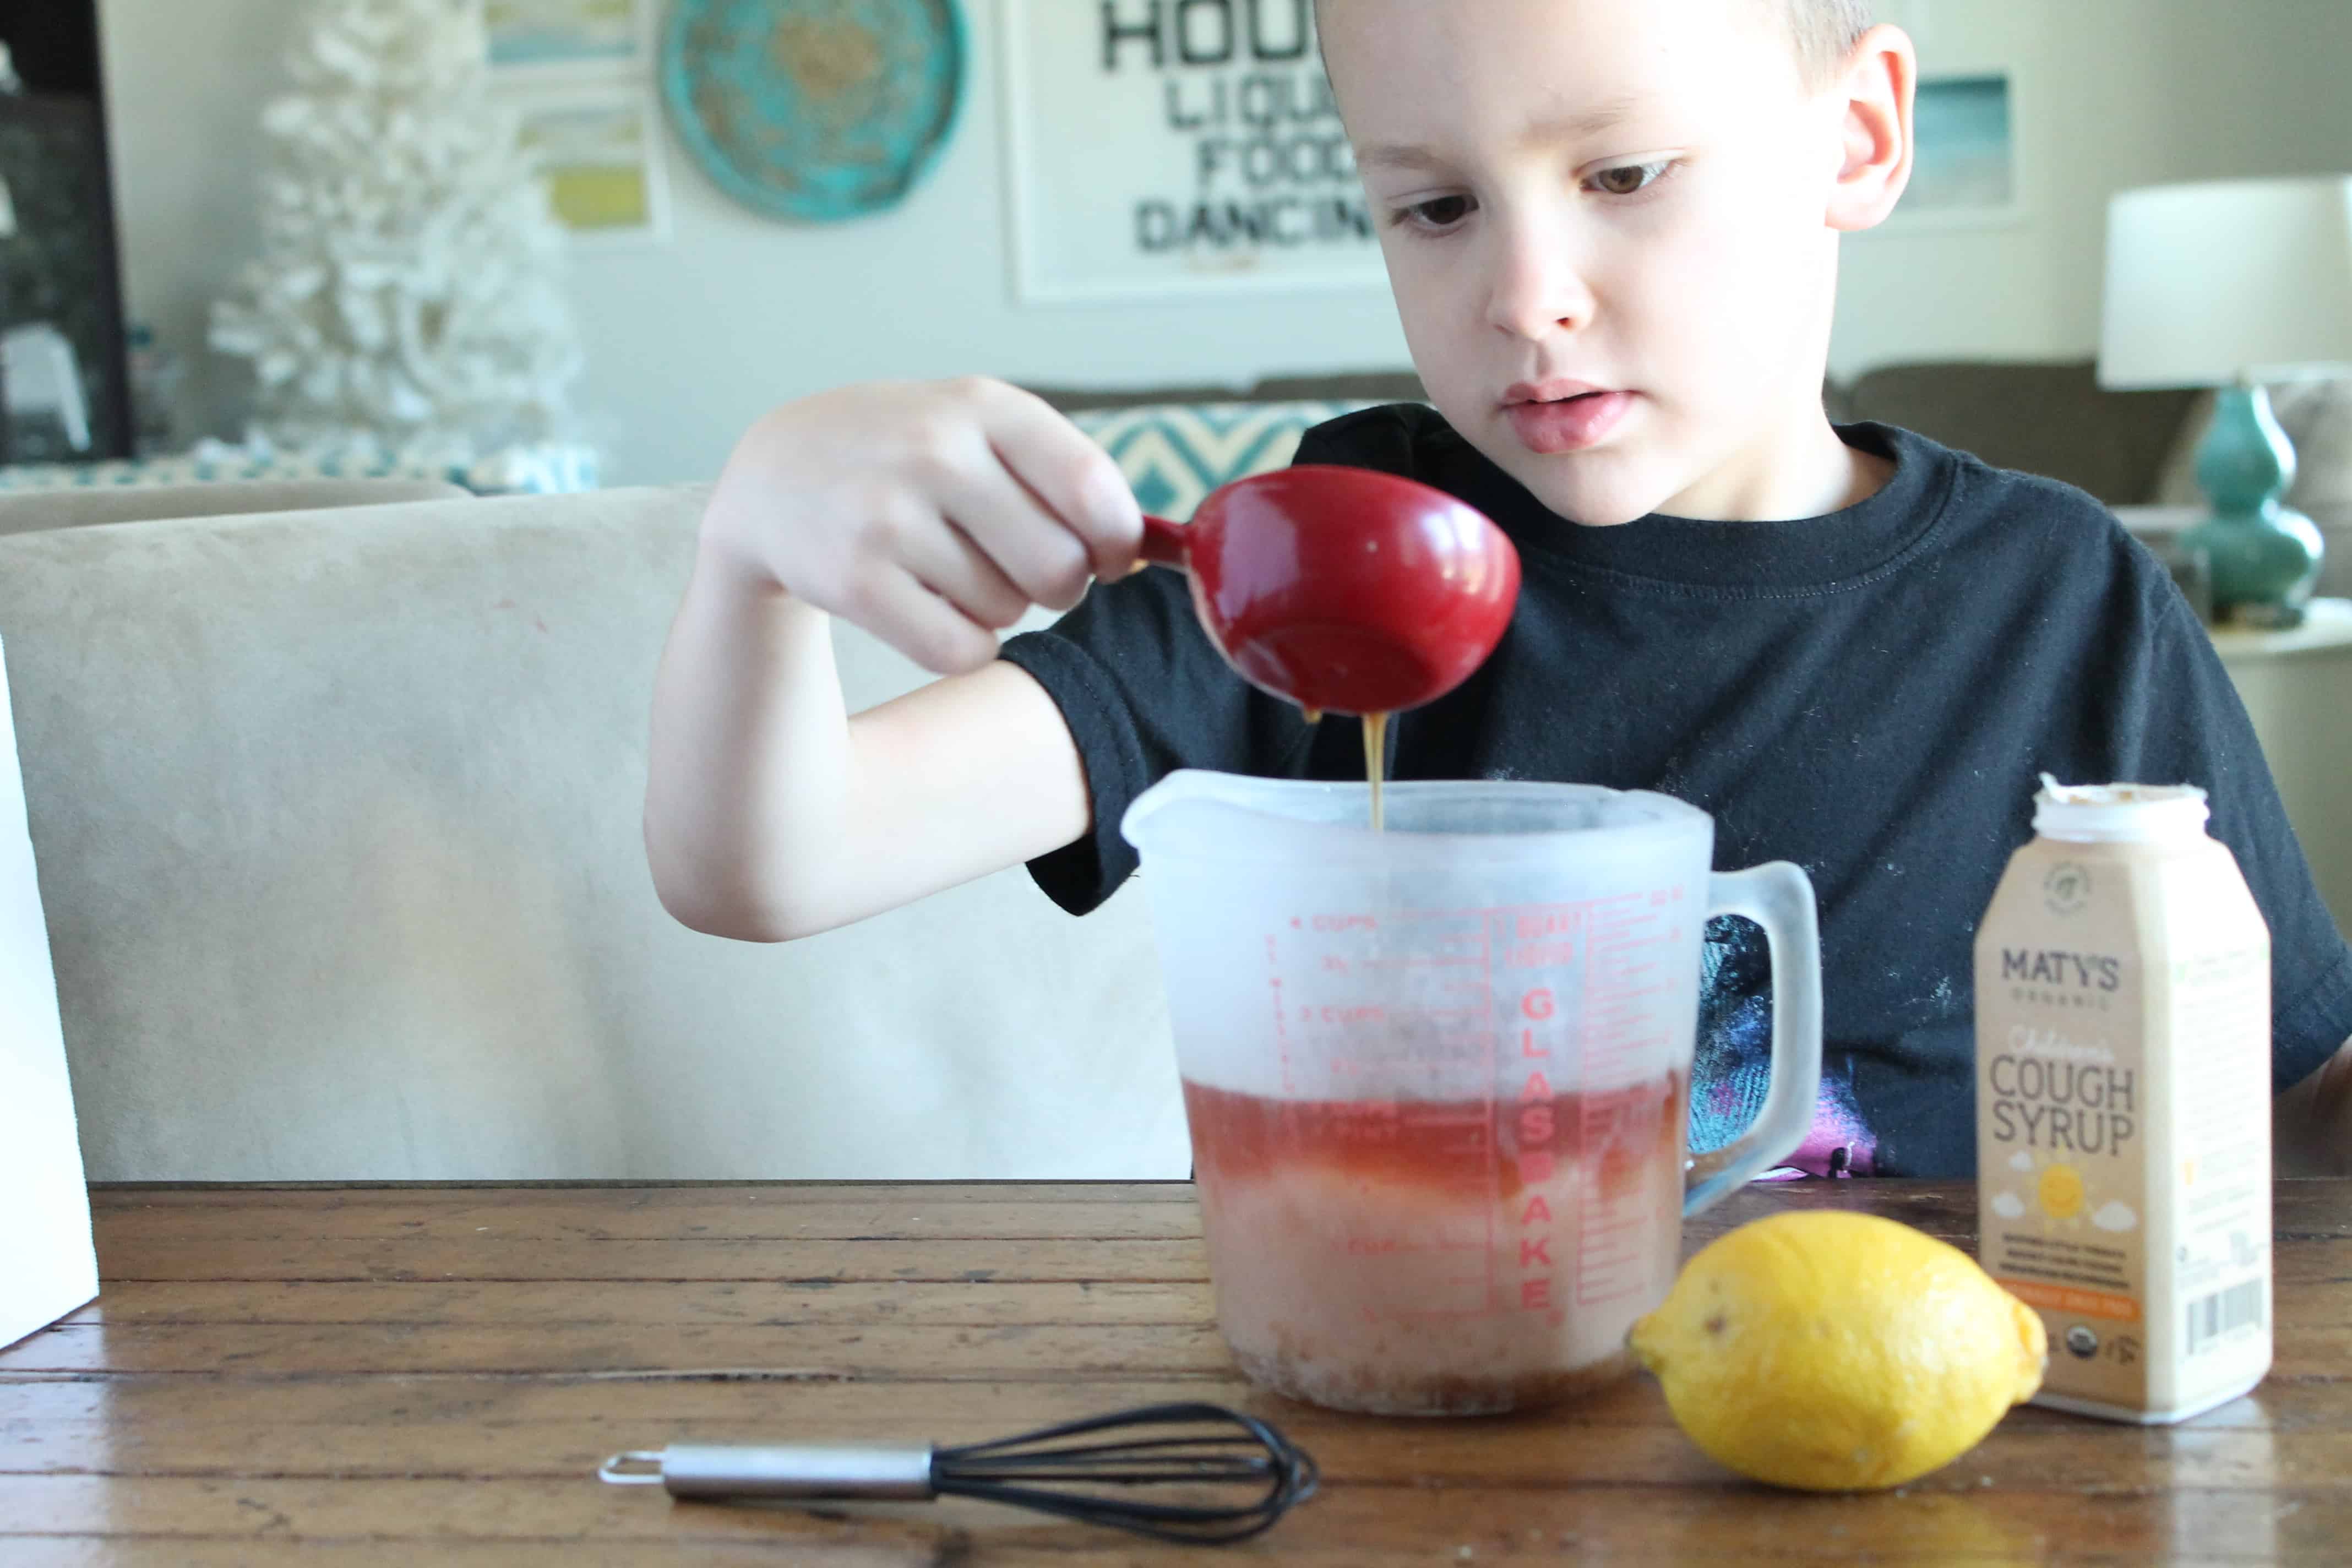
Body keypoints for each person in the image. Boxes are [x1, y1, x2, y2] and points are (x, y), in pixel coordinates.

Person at [644, 0, 2352, 1177]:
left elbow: (2288, 1111)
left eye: (1621, 177)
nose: (1527, 295)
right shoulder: (1321, 561)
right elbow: (771, 862)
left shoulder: (2068, 605)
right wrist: (754, 559)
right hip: (1432, 1437)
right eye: (1439, 205)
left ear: (1858, 135)